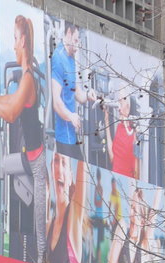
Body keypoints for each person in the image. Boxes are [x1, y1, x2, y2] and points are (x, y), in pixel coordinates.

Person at [0, 15, 47, 263]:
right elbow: (10, 102)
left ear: (22, 41)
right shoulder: (25, 78)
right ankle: (3, 231)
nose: (12, 44)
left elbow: (11, 114)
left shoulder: (29, 79)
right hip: (26, 159)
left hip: (38, 164)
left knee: (40, 232)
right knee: (0, 167)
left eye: (14, 39)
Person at [50, 22, 90, 160]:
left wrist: (88, 96)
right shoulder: (58, 58)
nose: (78, 46)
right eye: (76, 40)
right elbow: (56, 102)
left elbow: (77, 93)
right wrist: (71, 116)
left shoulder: (71, 59)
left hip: (72, 135)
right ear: (68, 33)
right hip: (63, 136)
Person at [48, 152, 87, 263]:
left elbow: (83, 161)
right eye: (56, 161)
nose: (59, 169)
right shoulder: (48, 225)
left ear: (71, 177)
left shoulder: (74, 216)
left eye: (64, 163)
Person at [106, 186, 151, 263]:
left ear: (143, 220)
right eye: (131, 207)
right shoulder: (122, 228)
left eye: (135, 210)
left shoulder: (144, 247)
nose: (131, 213)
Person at [106, 88, 139, 179]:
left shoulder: (134, 131)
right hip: (117, 179)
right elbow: (113, 158)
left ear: (128, 106)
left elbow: (136, 169)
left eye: (121, 102)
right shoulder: (121, 127)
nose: (118, 107)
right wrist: (106, 121)